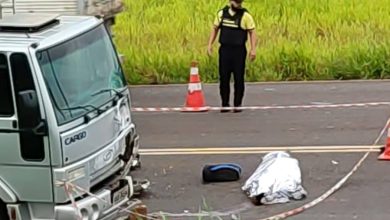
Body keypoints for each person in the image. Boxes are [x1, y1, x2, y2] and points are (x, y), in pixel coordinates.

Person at [207, 0, 257, 113]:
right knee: (224, 78)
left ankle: (237, 104)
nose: (238, 5)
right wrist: (210, 45)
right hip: (225, 50)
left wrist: (253, 49)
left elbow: (252, 32)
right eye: (236, 2)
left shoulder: (246, 16)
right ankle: (225, 104)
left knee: (239, 78)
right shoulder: (222, 14)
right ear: (230, 2)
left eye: (239, 3)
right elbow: (215, 29)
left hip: (239, 51)